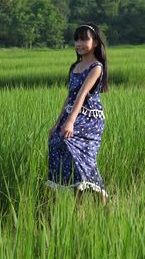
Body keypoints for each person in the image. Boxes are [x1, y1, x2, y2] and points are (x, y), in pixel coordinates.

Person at [46, 23, 109, 205]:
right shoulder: (75, 66)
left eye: (84, 39)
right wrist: (57, 124)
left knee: (79, 155)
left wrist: (70, 122)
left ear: (95, 42)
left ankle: (102, 201)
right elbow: (70, 97)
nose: (79, 43)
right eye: (77, 39)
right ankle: (78, 206)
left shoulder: (96, 67)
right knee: (56, 142)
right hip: (72, 114)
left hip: (89, 118)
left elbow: (82, 95)